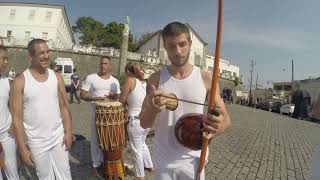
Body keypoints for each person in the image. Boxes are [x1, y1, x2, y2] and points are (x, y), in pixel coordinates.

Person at [139, 22, 231, 180]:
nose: (178, 52)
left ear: (190, 43)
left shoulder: (206, 78)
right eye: (171, 46)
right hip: (164, 161)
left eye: (182, 44)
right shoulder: (155, 79)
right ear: (165, 47)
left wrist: (218, 127)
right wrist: (153, 109)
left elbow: (226, 120)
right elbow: (143, 123)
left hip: (194, 160)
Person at [10, 39, 73, 180]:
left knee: (66, 176)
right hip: (37, 141)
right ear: (31, 56)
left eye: (47, 51)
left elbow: (64, 107)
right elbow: (17, 118)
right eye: (41, 53)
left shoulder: (56, 77)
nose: (46, 56)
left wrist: (69, 132)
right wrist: (22, 149)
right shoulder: (20, 81)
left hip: (58, 138)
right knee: (46, 177)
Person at [80, 56, 121, 176]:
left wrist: (114, 96)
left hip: (111, 117)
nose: (103, 66)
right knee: (95, 139)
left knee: (108, 140)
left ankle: (106, 162)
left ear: (110, 65)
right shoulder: (91, 78)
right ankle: (96, 164)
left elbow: (118, 97)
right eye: (101, 64)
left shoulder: (115, 81)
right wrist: (94, 98)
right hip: (96, 114)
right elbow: (82, 94)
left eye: (106, 64)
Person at [119, 62, 153, 180]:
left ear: (128, 71)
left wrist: (119, 98)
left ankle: (139, 175)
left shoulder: (130, 80)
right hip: (145, 120)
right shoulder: (143, 83)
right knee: (142, 144)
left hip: (135, 121)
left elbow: (122, 99)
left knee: (136, 149)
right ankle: (149, 165)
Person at [0, 45, 20, 180]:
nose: (6, 62)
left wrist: (14, 121)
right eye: (3, 59)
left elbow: (13, 105)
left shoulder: (7, 81)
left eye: (7, 59)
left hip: (6, 133)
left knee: (11, 169)